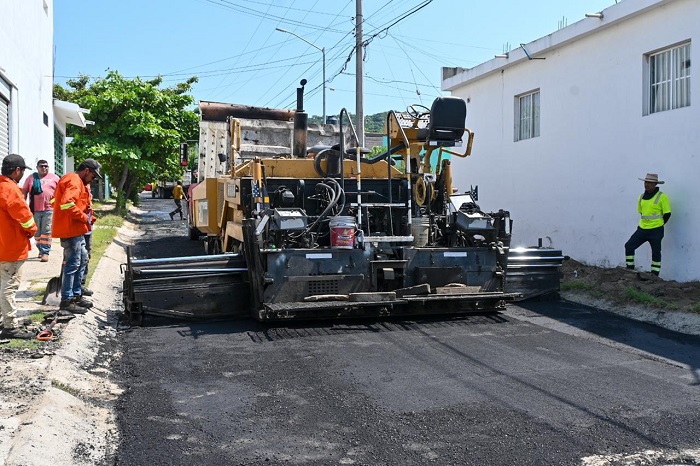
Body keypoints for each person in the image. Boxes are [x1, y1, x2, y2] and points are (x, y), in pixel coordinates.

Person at [52, 159, 102, 314]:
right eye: (93, 176)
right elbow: (67, 204)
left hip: (76, 230)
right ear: (86, 171)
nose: (93, 180)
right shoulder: (74, 180)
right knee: (72, 264)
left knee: (82, 260)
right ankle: (66, 301)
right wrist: (82, 217)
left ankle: (76, 295)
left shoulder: (79, 182)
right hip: (70, 230)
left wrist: (88, 216)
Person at [0, 154, 38, 339]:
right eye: (22, 170)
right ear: (17, 171)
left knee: (2, 284)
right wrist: (32, 230)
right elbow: (24, 217)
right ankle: (10, 326)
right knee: (9, 287)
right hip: (11, 247)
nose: (22, 174)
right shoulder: (10, 190)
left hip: (2, 246)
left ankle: (3, 321)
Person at [624, 173, 672, 276]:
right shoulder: (641, 197)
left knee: (655, 252)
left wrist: (659, 225)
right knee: (629, 246)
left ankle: (654, 276)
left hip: (656, 230)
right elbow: (642, 213)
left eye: (650, 183)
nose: (647, 184)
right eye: (646, 182)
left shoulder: (662, 197)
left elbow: (667, 213)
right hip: (642, 229)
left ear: (655, 184)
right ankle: (630, 270)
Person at [21, 159, 60, 262]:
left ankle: (45, 252)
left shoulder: (55, 178)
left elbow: (60, 192)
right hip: (35, 209)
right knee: (37, 232)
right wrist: (22, 204)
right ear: (37, 168)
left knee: (46, 231)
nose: (44, 168)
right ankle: (40, 249)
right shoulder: (31, 178)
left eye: (46, 166)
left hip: (49, 209)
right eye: (41, 166)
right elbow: (24, 191)